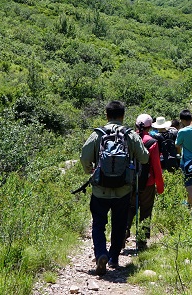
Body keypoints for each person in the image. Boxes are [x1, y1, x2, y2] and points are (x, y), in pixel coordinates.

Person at [80, 101, 148, 275]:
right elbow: (145, 158)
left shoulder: (98, 134)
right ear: (123, 116)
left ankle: (101, 253)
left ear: (106, 115)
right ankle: (114, 258)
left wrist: (92, 171)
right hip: (123, 189)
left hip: (100, 189)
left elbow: (84, 156)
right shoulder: (130, 134)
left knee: (98, 224)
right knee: (118, 224)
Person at [126, 114, 165, 251]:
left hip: (129, 182)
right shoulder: (152, 142)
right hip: (147, 183)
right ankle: (142, 241)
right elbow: (156, 166)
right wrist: (160, 186)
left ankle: (123, 233)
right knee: (146, 211)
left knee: (129, 208)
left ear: (136, 125)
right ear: (150, 126)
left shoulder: (128, 138)